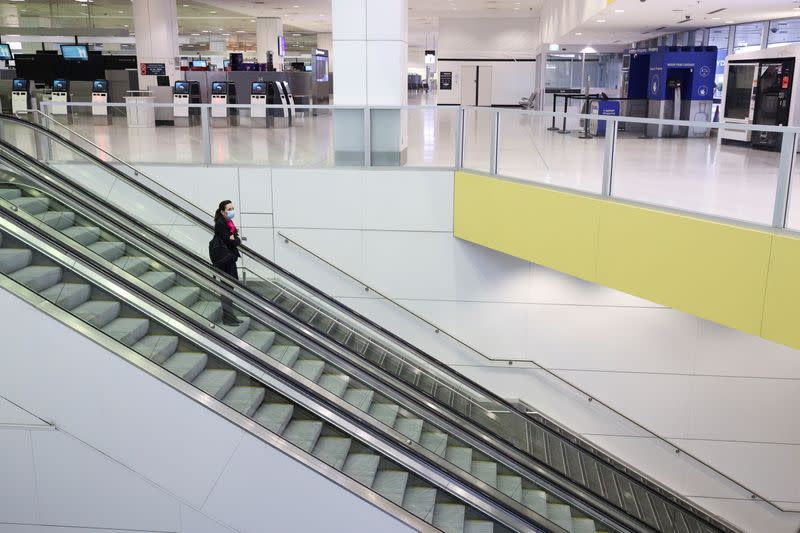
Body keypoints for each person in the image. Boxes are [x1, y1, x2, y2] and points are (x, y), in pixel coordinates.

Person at [210, 200, 243, 326]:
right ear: (223, 211)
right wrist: (234, 240)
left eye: (232, 208)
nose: (232, 211)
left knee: (230, 288)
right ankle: (227, 317)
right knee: (226, 289)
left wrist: (234, 239)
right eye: (229, 209)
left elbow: (235, 239)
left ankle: (231, 316)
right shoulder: (220, 223)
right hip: (225, 261)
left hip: (230, 259)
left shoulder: (229, 222)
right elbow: (231, 241)